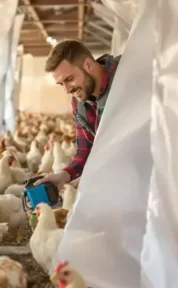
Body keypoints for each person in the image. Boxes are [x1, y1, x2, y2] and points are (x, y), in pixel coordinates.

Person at [34, 40, 121, 188]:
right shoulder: (79, 103)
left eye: (69, 79)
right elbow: (85, 149)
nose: (67, 90)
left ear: (88, 65)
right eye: (62, 84)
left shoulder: (125, 75)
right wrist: (63, 176)